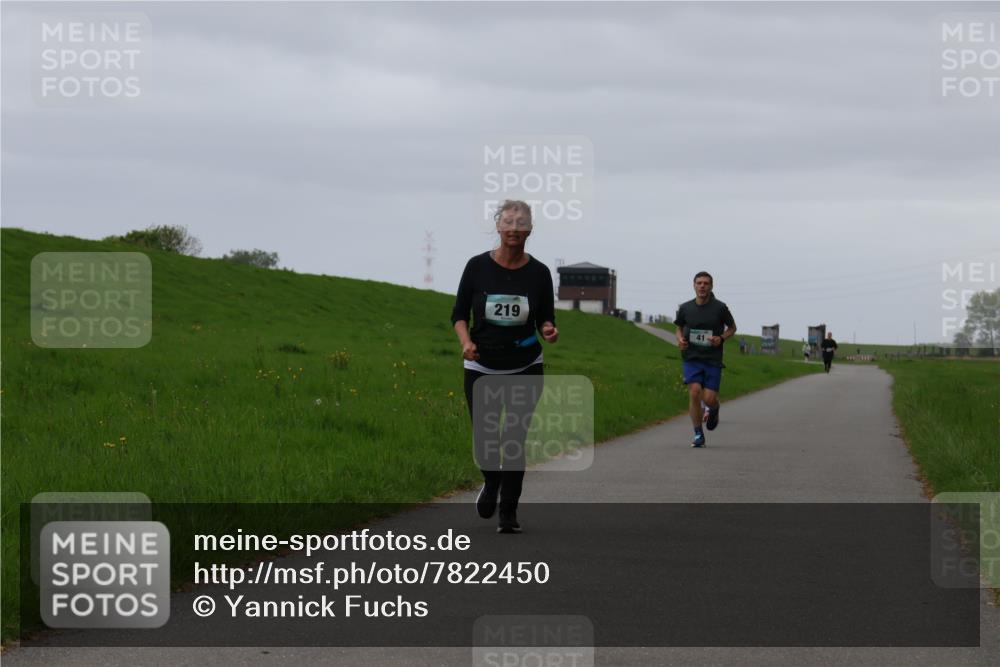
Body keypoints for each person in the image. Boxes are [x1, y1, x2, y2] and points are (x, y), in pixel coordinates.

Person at [451, 200, 558, 533]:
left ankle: (508, 514)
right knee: (486, 440)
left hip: (525, 364)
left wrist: (548, 330)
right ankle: (491, 481)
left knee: (513, 439)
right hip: (482, 366)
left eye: (521, 222)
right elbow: (458, 315)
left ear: (530, 229)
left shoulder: (539, 273)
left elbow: (546, 317)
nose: (514, 227)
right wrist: (466, 342)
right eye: (508, 221)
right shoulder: (476, 267)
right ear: (498, 227)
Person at [674, 271, 737, 448]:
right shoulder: (685, 308)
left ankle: (714, 409)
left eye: (706, 283)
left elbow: (732, 327)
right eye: (699, 283)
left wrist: (721, 338)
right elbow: (678, 328)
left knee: (709, 398)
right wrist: (680, 339)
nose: (702, 286)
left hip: (712, 358)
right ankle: (698, 434)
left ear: (711, 286)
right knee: (694, 392)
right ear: (694, 286)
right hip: (691, 357)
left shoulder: (720, 308)